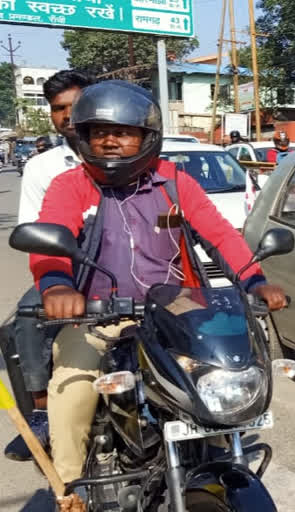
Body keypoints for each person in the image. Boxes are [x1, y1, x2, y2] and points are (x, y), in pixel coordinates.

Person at [28, 80, 287, 490]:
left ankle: (214, 451)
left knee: (221, 376)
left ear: (147, 137)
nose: (110, 141)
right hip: (99, 316)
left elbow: (220, 236)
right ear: (83, 137)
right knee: (71, 389)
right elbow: (51, 239)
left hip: (175, 310)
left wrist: (254, 280)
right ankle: (70, 489)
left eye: (124, 132)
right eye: (99, 132)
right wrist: (57, 286)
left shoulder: (174, 182)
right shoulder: (71, 185)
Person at [5, 70, 95, 462]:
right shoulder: (43, 167)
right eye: (59, 109)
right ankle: (41, 411)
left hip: (124, 265)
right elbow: (36, 234)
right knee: (23, 322)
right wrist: (55, 283)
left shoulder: (125, 151)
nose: (68, 116)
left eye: (75, 105)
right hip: (67, 270)